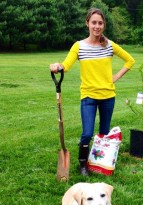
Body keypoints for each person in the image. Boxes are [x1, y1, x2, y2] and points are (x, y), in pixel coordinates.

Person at [50, 8, 135, 176]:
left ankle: (99, 162)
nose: (97, 26)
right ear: (87, 23)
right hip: (88, 96)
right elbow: (65, 66)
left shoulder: (109, 45)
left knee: (103, 134)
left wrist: (115, 77)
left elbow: (130, 60)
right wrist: (57, 66)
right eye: (94, 22)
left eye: (100, 23)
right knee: (87, 133)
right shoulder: (79, 46)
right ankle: (83, 165)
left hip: (108, 97)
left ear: (104, 25)